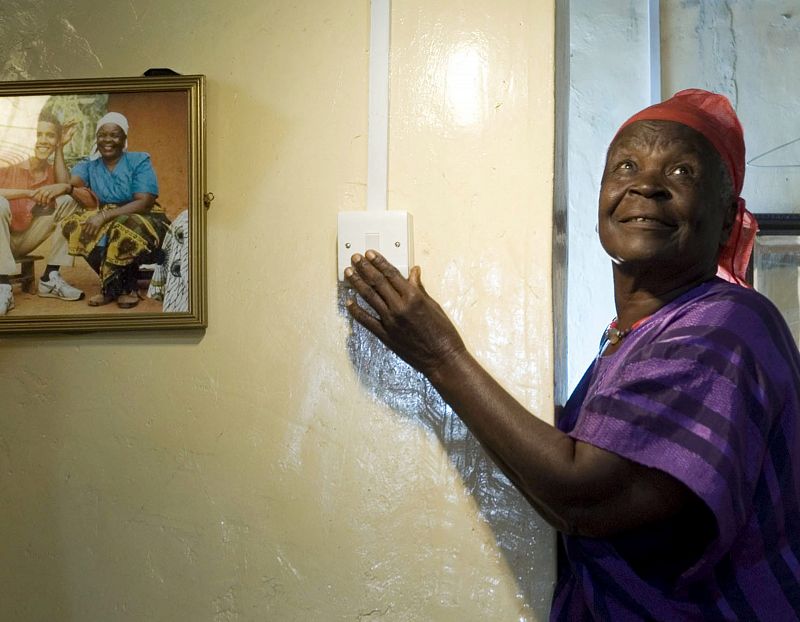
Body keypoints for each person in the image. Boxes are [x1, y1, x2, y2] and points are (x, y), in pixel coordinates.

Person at [344, 89, 800, 619]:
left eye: (681, 173)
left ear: (725, 220)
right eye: (626, 165)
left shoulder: (727, 326)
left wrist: (441, 355)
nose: (646, 184)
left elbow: (583, 497)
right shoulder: (633, 337)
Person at [60, 112, 169, 309]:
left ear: (124, 138)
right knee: (75, 224)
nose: (107, 140)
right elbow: (65, 185)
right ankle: (113, 286)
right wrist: (59, 146)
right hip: (110, 220)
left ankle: (128, 288)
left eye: (114, 135)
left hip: (145, 219)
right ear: (96, 138)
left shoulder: (138, 160)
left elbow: (144, 201)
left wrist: (104, 216)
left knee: (122, 226)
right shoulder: (90, 165)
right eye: (102, 135)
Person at [0, 111, 85, 315]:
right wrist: (29, 193)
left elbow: (65, 186)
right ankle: (3, 286)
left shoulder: (50, 169)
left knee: (69, 199)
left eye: (50, 135)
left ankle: (50, 278)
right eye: (38, 134)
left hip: (22, 239)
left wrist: (61, 149)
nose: (43, 140)